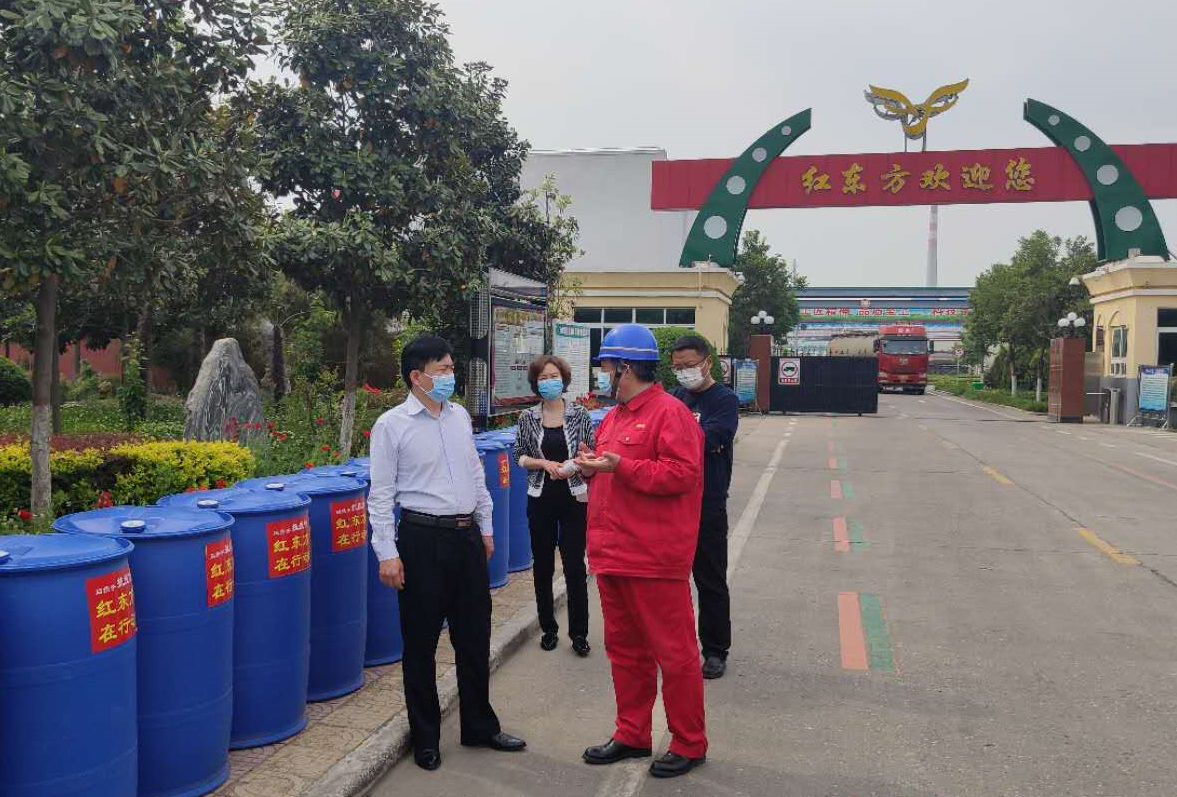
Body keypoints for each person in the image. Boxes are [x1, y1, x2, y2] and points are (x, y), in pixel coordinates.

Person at [368, 335, 526, 772]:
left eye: (451, 369)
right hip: (422, 541)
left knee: (474, 637)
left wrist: (485, 526)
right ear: (417, 377)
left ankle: (479, 725)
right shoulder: (391, 426)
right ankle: (426, 738)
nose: (450, 377)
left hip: (466, 537)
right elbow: (380, 496)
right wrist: (386, 553)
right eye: (443, 370)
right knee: (420, 644)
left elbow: (475, 474)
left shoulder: (458, 417)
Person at [574, 324, 708, 779]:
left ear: (625, 368)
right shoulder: (614, 416)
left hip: (653, 557)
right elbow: (610, 469)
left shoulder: (671, 414)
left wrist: (623, 466)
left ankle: (689, 741)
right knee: (625, 651)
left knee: (675, 655)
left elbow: (683, 475)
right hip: (612, 553)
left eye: (607, 366)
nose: (603, 373)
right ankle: (632, 733)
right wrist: (590, 466)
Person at [513, 355, 595, 656]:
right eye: (543, 378)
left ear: (564, 379)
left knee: (574, 566)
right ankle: (548, 628)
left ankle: (579, 633)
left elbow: (591, 453)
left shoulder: (580, 414)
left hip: (573, 497)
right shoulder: (527, 417)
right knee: (543, 565)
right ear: (536, 383)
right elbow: (519, 455)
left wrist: (574, 464)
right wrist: (543, 463)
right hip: (540, 497)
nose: (549, 382)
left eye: (554, 376)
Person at [670, 335, 740, 680]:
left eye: (689, 365)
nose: (684, 372)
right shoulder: (675, 397)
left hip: (707, 502)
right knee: (670, 579)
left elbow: (712, 438)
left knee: (710, 580)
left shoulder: (724, 400)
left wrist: (675, 439)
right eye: (677, 367)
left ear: (707, 362)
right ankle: (673, 645)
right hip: (672, 502)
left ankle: (715, 650)